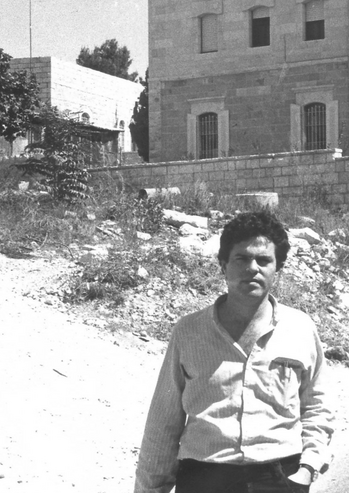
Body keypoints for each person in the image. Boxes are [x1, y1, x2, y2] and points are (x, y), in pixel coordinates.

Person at [134, 211, 333, 493]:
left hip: (279, 477)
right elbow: (163, 423)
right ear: (223, 265)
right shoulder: (188, 332)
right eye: (241, 258)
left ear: (278, 267)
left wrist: (308, 468)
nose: (253, 268)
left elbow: (317, 406)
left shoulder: (300, 328)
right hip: (204, 479)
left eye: (264, 260)